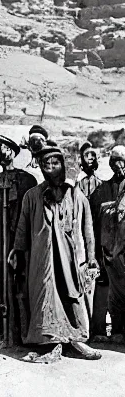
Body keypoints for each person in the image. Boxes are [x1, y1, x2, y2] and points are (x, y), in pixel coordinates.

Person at [9, 146, 101, 360]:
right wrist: (18, 250)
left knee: (73, 297)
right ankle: (49, 342)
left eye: (54, 164)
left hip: (71, 260)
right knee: (45, 298)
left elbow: (88, 230)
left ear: (62, 166)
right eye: (45, 165)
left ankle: (77, 340)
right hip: (42, 260)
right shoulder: (32, 196)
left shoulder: (77, 197)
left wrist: (92, 257)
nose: (50, 168)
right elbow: (22, 226)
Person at [0, 135, 37, 343]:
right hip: (0, 238)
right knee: (3, 284)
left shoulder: (26, 180)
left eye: (6, 148)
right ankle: (7, 331)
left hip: (21, 238)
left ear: (13, 152)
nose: (2, 151)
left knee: (23, 283)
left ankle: (25, 332)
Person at [90, 145, 125, 339]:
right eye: (115, 161)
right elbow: (94, 221)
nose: (119, 165)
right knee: (107, 291)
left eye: (123, 161)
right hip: (107, 252)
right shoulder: (102, 190)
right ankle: (107, 330)